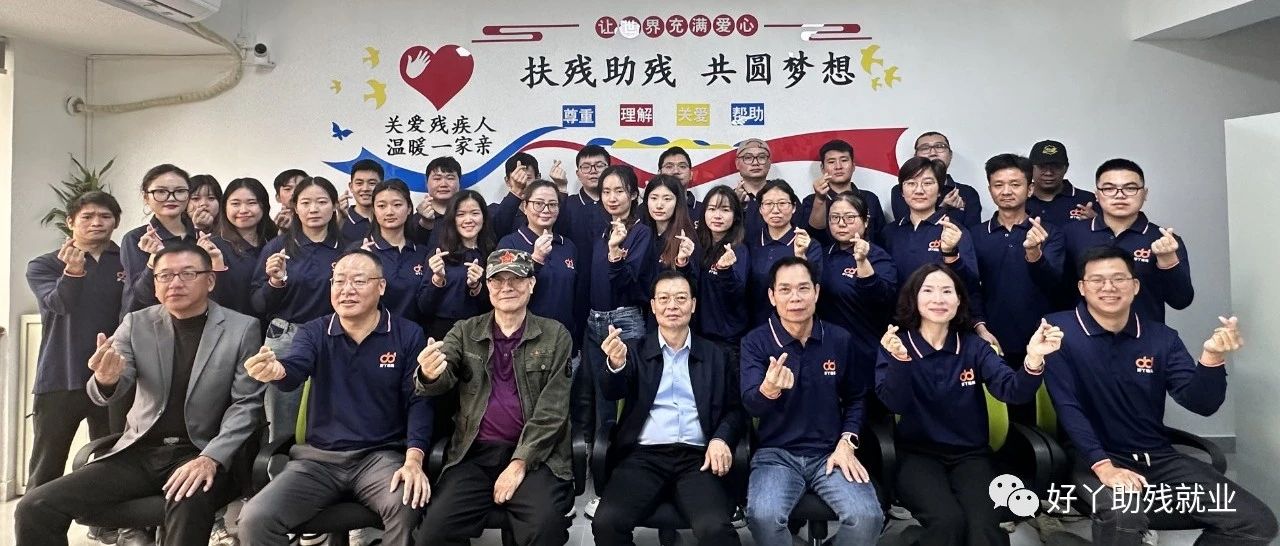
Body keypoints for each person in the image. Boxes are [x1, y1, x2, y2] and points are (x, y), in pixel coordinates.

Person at [15, 244, 265, 546]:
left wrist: (211, 457)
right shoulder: (137, 323)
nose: (175, 283)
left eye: (188, 274)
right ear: (155, 284)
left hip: (200, 450)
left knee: (187, 502)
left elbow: (246, 404)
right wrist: (106, 380)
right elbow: (107, 390)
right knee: (35, 506)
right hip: (139, 452)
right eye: (165, 276)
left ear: (210, 280)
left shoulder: (241, 329)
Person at [1043, 246, 1277, 545]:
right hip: (1093, 456)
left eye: (1119, 279)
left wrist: (1212, 358)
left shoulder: (1161, 338)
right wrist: (1103, 466)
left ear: (1135, 286)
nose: (1108, 287)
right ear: (1081, 287)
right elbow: (1068, 406)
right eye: (1097, 280)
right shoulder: (1058, 331)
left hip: (1159, 457)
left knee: (1255, 522)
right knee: (1124, 514)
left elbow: (1202, 404)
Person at [238, 250, 431, 546]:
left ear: (381, 286)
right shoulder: (314, 332)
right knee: (255, 519)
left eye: (358, 281)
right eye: (339, 281)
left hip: (379, 457)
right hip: (317, 461)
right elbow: (293, 370)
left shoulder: (407, 334)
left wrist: (414, 460)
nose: (346, 289)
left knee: (406, 503)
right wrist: (277, 371)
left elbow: (419, 400)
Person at [876, 263, 1061, 545]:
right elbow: (895, 403)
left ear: (959, 300)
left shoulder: (974, 347)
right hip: (916, 455)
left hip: (971, 456)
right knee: (948, 522)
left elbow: (1012, 391)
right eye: (928, 290)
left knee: (984, 527)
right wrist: (900, 361)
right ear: (913, 298)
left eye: (947, 291)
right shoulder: (896, 344)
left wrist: (1034, 359)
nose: (938, 299)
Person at [414, 249, 576, 545]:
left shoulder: (555, 335)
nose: (506, 287)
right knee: (432, 533)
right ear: (487, 286)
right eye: (498, 280)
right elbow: (440, 378)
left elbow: (552, 413)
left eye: (516, 279)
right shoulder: (465, 331)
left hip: (537, 456)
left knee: (545, 528)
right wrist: (428, 373)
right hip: (474, 453)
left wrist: (519, 463)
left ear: (531, 284)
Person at [591, 270, 745, 546]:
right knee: (607, 524)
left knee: (716, 530)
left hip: (698, 458)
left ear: (693, 305)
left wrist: (720, 439)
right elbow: (612, 391)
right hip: (643, 456)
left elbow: (735, 410)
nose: (672, 306)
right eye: (663, 299)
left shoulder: (716, 355)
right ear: (652, 306)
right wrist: (615, 364)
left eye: (681, 298)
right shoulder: (634, 350)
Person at [740, 257, 883, 546]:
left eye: (803, 288)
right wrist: (768, 389)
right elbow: (751, 404)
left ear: (816, 292)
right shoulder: (756, 342)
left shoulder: (839, 339)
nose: (795, 297)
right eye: (785, 289)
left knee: (868, 519)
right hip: (776, 454)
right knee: (764, 518)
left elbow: (856, 398)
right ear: (772, 296)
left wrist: (847, 442)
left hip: (831, 453)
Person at [24, 191, 124, 490]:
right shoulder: (45, 264)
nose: (97, 222)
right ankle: (37, 518)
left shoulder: (127, 261)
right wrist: (73, 272)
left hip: (112, 378)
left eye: (105, 216)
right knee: (47, 463)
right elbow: (59, 305)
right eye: (87, 216)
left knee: (110, 461)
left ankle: (103, 517)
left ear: (116, 222)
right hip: (60, 375)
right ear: (70, 222)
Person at [251, 176, 345, 440]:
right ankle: (279, 463)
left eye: (321, 202)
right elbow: (258, 303)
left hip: (333, 337)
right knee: (283, 416)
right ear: (294, 207)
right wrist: (275, 281)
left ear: (335, 206)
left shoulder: (346, 249)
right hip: (286, 336)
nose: (313, 209)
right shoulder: (278, 247)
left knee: (333, 410)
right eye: (305, 203)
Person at [972, 154, 1065, 406]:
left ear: (1030, 188)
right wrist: (980, 327)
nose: (1006, 191)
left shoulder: (1050, 233)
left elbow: (1054, 283)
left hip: (1041, 338)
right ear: (990, 189)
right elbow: (970, 288)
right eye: (998, 184)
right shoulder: (976, 235)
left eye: (1015, 184)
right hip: (992, 338)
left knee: (1042, 412)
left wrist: (1034, 253)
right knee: (998, 411)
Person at [1061, 158, 1192, 323]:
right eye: (1109, 188)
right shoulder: (1071, 234)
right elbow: (1056, 290)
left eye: (1130, 188)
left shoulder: (1164, 240)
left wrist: (1168, 262)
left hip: (1144, 335)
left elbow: (1181, 301)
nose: (1120, 195)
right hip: (1083, 334)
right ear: (1097, 195)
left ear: (1145, 194)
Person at [882, 157, 994, 347]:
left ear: (940, 190)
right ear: (901, 191)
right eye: (911, 183)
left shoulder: (954, 230)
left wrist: (979, 325)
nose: (919, 190)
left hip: (946, 330)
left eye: (928, 183)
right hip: (899, 331)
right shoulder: (890, 233)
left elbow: (971, 286)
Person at [817, 192, 897, 416]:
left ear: (866, 220)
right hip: (827, 353)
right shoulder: (822, 256)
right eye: (835, 218)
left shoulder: (878, 257)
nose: (841, 223)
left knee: (868, 418)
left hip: (865, 352)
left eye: (850, 217)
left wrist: (862, 263)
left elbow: (884, 298)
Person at [497, 179, 582, 348]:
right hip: (524, 343)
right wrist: (535, 259)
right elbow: (505, 293)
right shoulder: (509, 244)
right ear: (525, 206)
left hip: (564, 341)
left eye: (552, 205)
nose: (546, 210)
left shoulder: (568, 246)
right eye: (538, 204)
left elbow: (575, 297)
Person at [417, 189, 496, 341]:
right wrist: (437, 279)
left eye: (474, 213)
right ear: (452, 219)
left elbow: (495, 306)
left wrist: (476, 287)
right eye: (461, 214)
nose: (468, 220)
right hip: (443, 334)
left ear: (484, 217)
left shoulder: (492, 253)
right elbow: (423, 308)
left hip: (481, 334)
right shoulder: (439, 254)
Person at [120, 164, 198, 316]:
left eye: (180, 191)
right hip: (144, 321)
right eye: (161, 192)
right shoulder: (135, 238)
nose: (171, 198)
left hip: (190, 320)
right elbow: (142, 294)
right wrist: (154, 258)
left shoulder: (201, 237)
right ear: (146, 197)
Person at [350, 179, 430, 323]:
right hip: (372, 332)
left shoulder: (421, 252)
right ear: (374, 210)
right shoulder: (360, 251)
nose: (389, 212)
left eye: (397, 205)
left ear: (409, 209)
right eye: (382, 206)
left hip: (415, 333)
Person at [747, 179, 822, 325]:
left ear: (794, 207)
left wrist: (801, 256)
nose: (775, 210)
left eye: (782, 203)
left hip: (795, 325)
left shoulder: (809, 244)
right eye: (768, 204)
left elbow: (813, 289)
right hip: (756, 326)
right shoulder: (750, 244)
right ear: (761, 209)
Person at [692, 185, 751, 361]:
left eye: (725, 210)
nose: (717, 216)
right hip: (696, 337)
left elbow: (737, 292)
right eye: (712, 209)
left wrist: (725, 271)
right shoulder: (697, 245)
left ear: (736, 215)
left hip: (727, 342)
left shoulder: (738, 249)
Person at [210, 177, 278, 317]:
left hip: (271, 326)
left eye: (251, 203)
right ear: (224, 207)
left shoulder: (274, 243)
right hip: (231, 324)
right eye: (235, 204)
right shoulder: (214, 247)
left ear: (264, 206)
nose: (243, 210)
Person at [800, 139, 887, 246]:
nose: (838, 166)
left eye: (844, 160)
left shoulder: (870, 198)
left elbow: (881, 239)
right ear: (822, 168)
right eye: (831, 162)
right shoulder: (811, 201)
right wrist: (820, 199)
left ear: (853, 166)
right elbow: (811, 235)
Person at [891, 132, 983, 227]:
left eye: (940, 146)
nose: (933, 153)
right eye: (925, 148)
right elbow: (906, 228)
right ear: (916, 156)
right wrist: (942, 209)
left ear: (950, 155)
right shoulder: (902, 190)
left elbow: (972, 232)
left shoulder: (967, 193)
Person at [1024, 140, 1096, 225]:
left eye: (1056, 166)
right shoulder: (1019, 199)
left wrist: (1097, 222)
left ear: (1066, 168)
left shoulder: (1087, 200)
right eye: (1042, 167)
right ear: (1030, 168)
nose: (1048, 173)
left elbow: (1107, 230)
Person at [640, 174, 698, 270]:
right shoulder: (640, 232)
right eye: (654, 198)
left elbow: (693, 278)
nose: (659, 205)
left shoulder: (687, 237)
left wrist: (682, 263)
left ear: (678, 202)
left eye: (667, 199)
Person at [409, 156, 462, 246]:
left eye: (450, 178)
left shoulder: (469, 217)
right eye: (437, 179)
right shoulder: (415, 221)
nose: (443, 184)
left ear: (459, 183)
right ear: (426, 183)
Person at [732, 138, 775, 241]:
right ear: (737, 164)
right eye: (748, 158)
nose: (755, 163)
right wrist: (735, 206)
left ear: (769, 162)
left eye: (761, 157)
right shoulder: (728, 199)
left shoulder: (783, 196)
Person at [489, 152, 541, 238]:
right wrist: (516, 191)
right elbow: (496, 233)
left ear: (538, 178)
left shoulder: (546, 210)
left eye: (527, 178)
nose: (522, 182)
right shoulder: (493, 210)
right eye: (517, 178)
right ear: (507, 181)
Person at [340, 159, 385, 242]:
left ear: (382, 186)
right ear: (351, 187)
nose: (365, 189)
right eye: (359, 183)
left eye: (372, 183)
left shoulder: (389, 219)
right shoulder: (341, 221)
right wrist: (340, 220)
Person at [658, 146, 702, 217]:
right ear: (659, 174)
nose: (676, 171)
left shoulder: (704, 210)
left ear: (691, 174)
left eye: (682, 166)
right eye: (669, 166)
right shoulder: (646, 209)